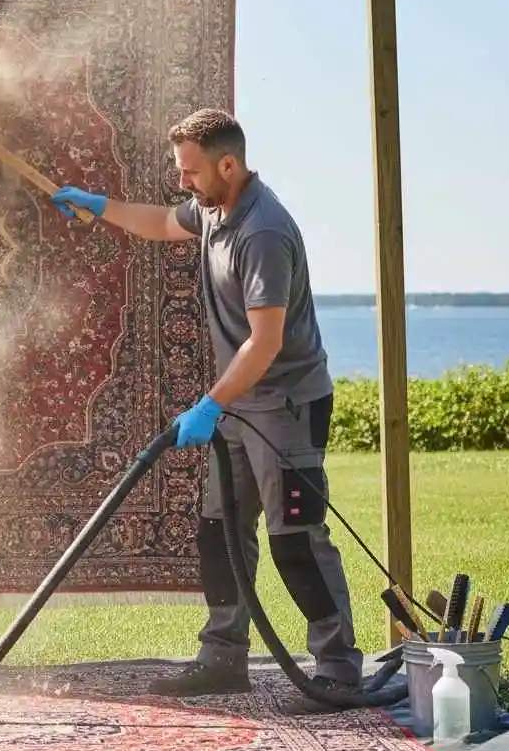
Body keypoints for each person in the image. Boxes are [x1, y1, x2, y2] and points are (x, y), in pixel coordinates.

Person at [50, 108, 363, 706]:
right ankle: (223, 657)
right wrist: (98, 204)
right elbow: (162, 222)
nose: (183, 182)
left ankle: (339, 668)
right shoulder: (215, 209)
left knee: (294, 537)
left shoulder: (262, 232)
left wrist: (209, 406)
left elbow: (265, 342)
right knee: (218, 531)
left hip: (285, 405)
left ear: (228, 164)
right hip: (241, 401)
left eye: (191, 171)